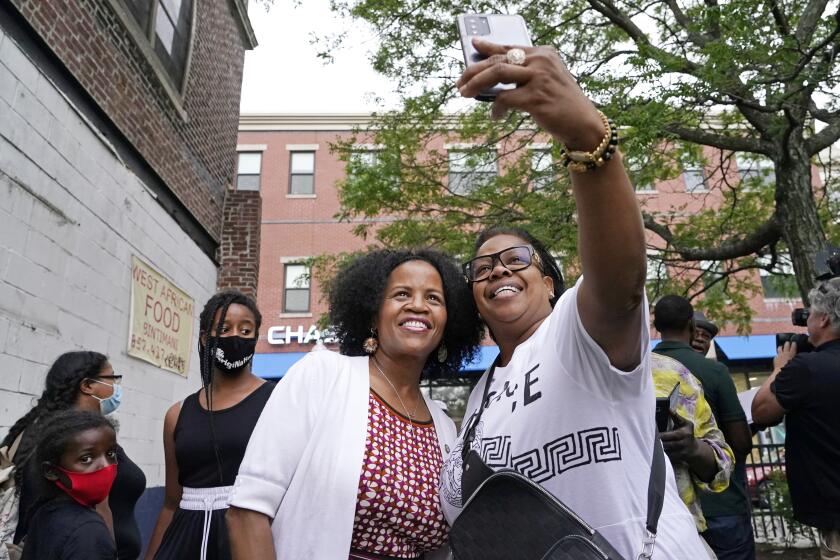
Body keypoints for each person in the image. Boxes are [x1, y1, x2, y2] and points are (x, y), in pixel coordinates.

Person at [437, 38, 711, 558]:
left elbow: (620, 285)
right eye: (482, 267)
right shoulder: (478, 401)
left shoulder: (575, 333)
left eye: (517, 259)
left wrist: (587, 140)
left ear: (551, 283)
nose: (498, 269)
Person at [225, 249, 484, 559]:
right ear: (373, 314)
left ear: (447, 323)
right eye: (402, 294)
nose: (417, 306)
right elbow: (247, 512)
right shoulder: (322, 376)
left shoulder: (442, 424)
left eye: (433, 299)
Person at [144, 290, 274, 560]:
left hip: (248, 541)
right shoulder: (177, 414)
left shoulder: (278, 402)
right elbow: (171, 503)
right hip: (183, 543)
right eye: (224, 329)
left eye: (246, 330)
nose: (235, 336)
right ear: (205, 337)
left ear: (256, 338)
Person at [1, 351, 145, 559]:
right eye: (112, 378)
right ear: (87, 386)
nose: (116, 386)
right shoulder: (81, 442)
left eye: (111, 454)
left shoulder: (42, 431)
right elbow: (100, 509)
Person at [652, 295, 755, 560]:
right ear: (690, 327)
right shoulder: (713, 372)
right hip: (722, 505)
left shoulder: (638, 370)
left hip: (664, 517)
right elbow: (741, 443)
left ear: (656, 325)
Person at [753, 277, 840, 560]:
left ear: (824, 319)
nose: (807, 320)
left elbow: (761, 411)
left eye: (811, 313)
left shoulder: (807, 369)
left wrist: (781, 368)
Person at [651, 352, 734, 532]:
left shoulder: (674, 373)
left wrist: (692, 448)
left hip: (678, 532)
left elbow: (723, 466)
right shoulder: (575, 375)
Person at [21, 409, 118, 559]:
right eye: (86, 459)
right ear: (51, 471)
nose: (106, 466)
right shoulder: (88, 533)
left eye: (110, 454)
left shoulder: (45, 512)